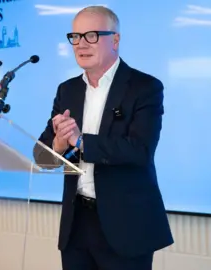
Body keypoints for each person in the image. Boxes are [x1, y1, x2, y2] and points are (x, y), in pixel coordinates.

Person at [33, 6, 173, 270]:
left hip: (126, 226)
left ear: (116, 40)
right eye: (75, 37)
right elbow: (43, 157)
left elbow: (139, 150)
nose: (81, 44)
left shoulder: (144, 87)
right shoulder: (68, 90)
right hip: (77, 226)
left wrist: (81, 141)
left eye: (92, 35)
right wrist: (59, 146)